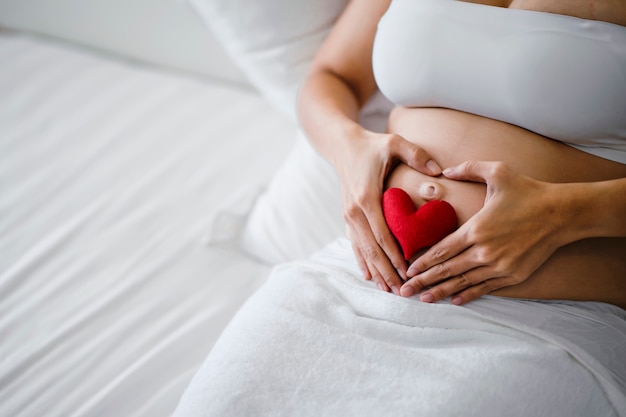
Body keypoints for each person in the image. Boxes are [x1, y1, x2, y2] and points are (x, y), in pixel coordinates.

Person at [297, 0, 626, 307]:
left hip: (549, 315)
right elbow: (331, 76)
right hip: (350, 278)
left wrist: (565, 214)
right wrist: (348, 148)